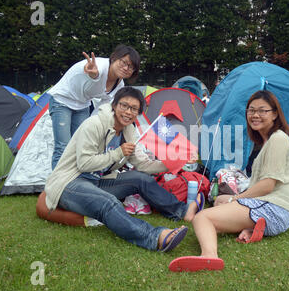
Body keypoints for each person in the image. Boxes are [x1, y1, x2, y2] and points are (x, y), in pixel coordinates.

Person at [43, 87, 204, 252]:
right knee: (107, 202)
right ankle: (154, 236)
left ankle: (181, 211)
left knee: (141, 179)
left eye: (133, 109)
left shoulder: (129, 131)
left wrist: (174, 162)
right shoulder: (94, 124)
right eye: (124, 106)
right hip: (70, 182)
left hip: (98, 181)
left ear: (138, 113)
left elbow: (143, 165)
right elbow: (84, 163)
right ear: (114, 105)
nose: (128, 112)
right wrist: (118, 153)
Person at [169, 90, 289, 272]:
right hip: (272, 208)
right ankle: (250, 229)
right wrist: (233, 198)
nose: (255, 115)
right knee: (219, 201)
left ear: (275, 114)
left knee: (202, 218)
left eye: (262, 110)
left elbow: (268, 185)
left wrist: (235, 198)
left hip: (274, 209)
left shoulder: (278, 139)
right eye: (251, 110)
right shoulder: (268, 141)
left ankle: (209, 256)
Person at [48, 44, 140, 169]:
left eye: (131, 67)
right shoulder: (98, 67)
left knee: (80, 145)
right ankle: (56, 185)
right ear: (114, 58)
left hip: (82, 105)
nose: (126, 68)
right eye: (123, 62)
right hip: (62, 100)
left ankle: (74, 181)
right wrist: (94, 76)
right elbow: (91, 79)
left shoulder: (119, 84)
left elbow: (103, 108)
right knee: (63, 146)